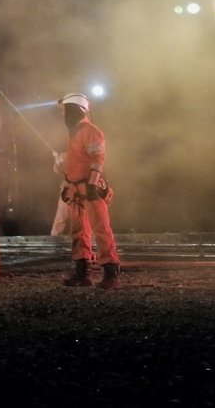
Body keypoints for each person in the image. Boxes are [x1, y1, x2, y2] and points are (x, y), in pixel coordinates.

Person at [57, 93, 121, 290]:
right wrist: (68, 185)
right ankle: (82, 273)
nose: (65, 115)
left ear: (79, 110)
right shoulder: (74, 133)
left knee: (101, 229)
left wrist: (93, 183)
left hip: (89, 187)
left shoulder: (90, 131)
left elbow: (98, 157)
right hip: (76, 189)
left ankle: (111, 274)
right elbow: (75, 163)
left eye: (69, 110)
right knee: (79, 232)